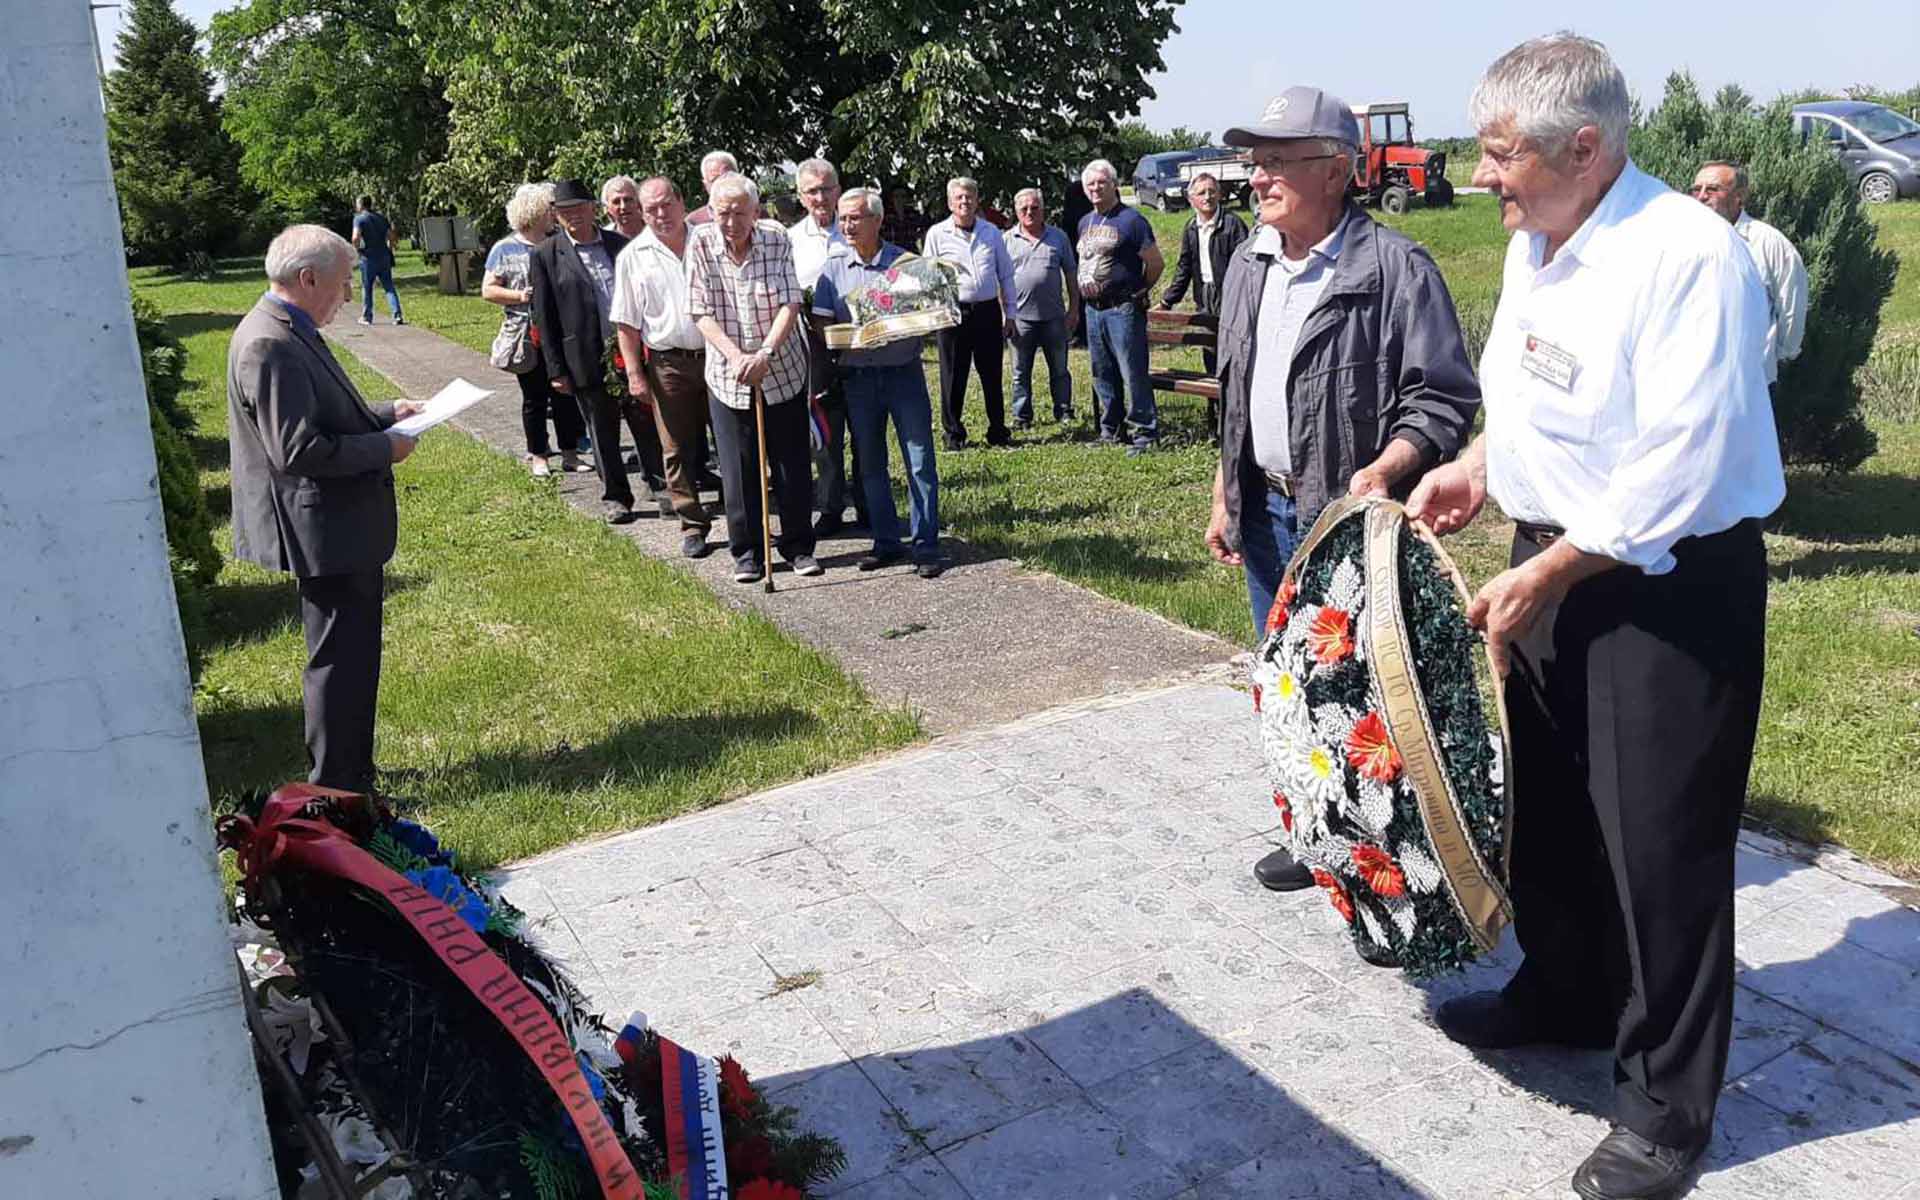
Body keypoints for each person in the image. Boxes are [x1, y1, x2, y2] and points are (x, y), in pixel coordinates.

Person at [1406, 36, 1783, 1200]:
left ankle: (1667, 1110)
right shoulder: (1539, 236)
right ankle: (1564, 993)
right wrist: (1479, 466)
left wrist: (1556, 568)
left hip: (1663, 586)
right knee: (1553, 813)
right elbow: (1537, 388)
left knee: (1661, 850)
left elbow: (1679, 460)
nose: (1482, 175)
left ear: (1585, 147)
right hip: (1552, 561)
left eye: (1501, 152)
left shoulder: (1689, 255)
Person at [1202, 87, 1480, 896]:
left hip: (1348, 523)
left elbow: (1442, 399)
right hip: (1265, 509)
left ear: (1334, 170)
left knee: (1366, 697)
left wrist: (1389, 466)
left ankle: (1388, 868)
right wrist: (1225, 491)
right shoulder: (1251, 264)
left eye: (1277, 161)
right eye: (1255, 161)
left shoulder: (1396, 269)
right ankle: (1313, 830)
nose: (1258, 177)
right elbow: (1237, 391)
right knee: (1286, 679)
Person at [227, 225, 423, 793]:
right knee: (339, 660)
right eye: (342, 283)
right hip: (322, 528)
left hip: (336, 523)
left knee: (353, 654)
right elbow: (297, 450)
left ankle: (351, 771)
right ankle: (339, 785)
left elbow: (320, 411)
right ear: (308, 278)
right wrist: (385, 448)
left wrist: (386, 412)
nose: (347, 294)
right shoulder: (269, 342)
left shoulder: (289, 328)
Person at [686, 173, 821, 582]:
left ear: (755, 212)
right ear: (712, 212)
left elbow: (790, 302)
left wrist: (764, 353)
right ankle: (747, 553)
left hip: (781, 369)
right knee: (738, 469)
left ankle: (798, 546)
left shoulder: (776, 238)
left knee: (791, 466)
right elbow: (699, 310)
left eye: (739, 214)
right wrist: (737, 357)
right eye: (722, 213)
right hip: (728, 375)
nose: (731, 222)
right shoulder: (701, 242)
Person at [812, 188, 945, 578]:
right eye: (842, 218)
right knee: (870, 464)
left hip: (904, 374)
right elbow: (820, 322)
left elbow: (929, 314)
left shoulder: (906, 265)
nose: (847, 225)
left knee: (919, 461)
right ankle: (886, 542)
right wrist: (844, 338)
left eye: (855, 218)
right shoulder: (832, 270)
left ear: (877, 220)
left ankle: (926, 546)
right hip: (858, 378)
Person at [530, 178, 666, 524]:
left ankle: (660, 487)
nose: (574, 215)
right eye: (566, 211)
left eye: (580, 207)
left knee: (646, 424)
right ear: (556, 215)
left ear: (594, 209)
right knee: (602, 431)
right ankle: (617, 497)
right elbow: (544, 317)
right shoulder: (545, 255)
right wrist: (556, 369)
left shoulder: (620, 245)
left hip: (630, 350)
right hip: (584, 356)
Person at [612, 177, 719, 559]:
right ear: (642, 213)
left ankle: (745, 517)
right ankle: (692, 523)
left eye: (666, 205)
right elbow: (626, 322)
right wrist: (634, 374)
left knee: (733, 440)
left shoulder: (711, 241)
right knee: (675, 448)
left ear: (681, 201)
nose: (661, 215)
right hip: (668, 363)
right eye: (651, 209)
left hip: (719, 355)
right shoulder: (633, 256)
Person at [482, 183, 589, 478]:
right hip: (526, 335)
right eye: (549, 210)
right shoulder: (505, 248)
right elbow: (488, 290)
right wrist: (520, 296)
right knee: (535, 398)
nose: (554, 214)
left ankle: (570, 454)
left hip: (561, 332)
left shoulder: (559, 242)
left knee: (565, 395)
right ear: (535, 213)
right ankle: (539, 455)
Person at [788, 158, 867, 536]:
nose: (820, 197)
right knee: (826, 432)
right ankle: (831, 506)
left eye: (827, 188)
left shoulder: (857, 228)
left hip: (861, 344)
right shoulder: (790, 240)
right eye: (812, 191)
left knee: (865, 427)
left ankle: (869, 503)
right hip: (814, 350)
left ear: (838, 189)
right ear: (801, 196)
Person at [1690, 160, 1807, 385]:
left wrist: (1777, 357)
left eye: (1712, 189)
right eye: (1696, 189)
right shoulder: (1681, 241)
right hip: (1693, 383)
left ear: (1739, 197)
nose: (1702, 196)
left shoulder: (1768, 244)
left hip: (1750, 383)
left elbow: (1791, 309)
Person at [1076, 159, 1164, 453]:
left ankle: (1145, 434)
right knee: (1102, 372)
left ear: (1114, 185)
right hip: (1093, 310)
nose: (1095, 188)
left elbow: (1155, 263)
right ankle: (1111, 430)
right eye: (1090, 184)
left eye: (1101, 182)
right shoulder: (1085, 222)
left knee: (1132, 372)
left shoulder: (1132, 221)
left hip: (1122, 309)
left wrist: (1140, 290)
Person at [923, 176, 1017, 449]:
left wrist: (1010, 313)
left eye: (969, 197)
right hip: (952, 312)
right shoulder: (937, 234)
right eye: (959, 197)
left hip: (987, 311)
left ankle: (998, 431)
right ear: (950, 203)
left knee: (992, 373)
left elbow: (1006, 275)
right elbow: (928, 276)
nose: (964, 201)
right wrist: (934, 312)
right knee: (953, 375)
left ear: (977, 201)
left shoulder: (991, 232)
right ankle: (953, 434)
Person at [1157, 171, 1250, 375]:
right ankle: (1214, 390)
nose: (1207, 197)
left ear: (1219, 195)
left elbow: (1247, 268)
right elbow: (1184, 268)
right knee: (1209, 348)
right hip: (1205, 296)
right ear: (1191, 199)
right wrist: (1167, 301)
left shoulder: (1233, 224)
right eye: (1201, 193)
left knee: (1233, 349)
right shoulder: (1191, 228)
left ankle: (1233, 392)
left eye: (1211, 191)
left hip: (1231, 295)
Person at [1005, 187, 1079, 426]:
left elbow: (1071, 274)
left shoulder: (1059, 237)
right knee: (1020, 372)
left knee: (1060, 370)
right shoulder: (1006, 240)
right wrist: (1005, 315)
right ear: (1016, 211)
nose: (1029, 212)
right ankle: (1021, 416)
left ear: (1043, 209)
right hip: (1020, 318)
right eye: (1024, 208)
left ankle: (1064, 410)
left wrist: (1074, 309)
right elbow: (999, 280)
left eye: (1034, 208)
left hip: (1054, 318)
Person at [350, 194, 404, 326]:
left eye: (357, 203)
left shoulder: (359, 219)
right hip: (384, 256)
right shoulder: (381, 218)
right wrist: (391, 248)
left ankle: (367, 317)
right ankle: (397, 315)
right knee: (389, 286)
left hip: (368, 258)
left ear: (361, 205)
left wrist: (355, 250)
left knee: (367, 287)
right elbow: (391, 236)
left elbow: (355, 237)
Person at [686, 151, 740, 225]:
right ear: (706, 185)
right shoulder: (693, 223)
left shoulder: (753, 215)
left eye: (728, 177)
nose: (723, 184)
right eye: (715, 180)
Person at [881, 185, 930, 254]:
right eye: (896, 196)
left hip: (910, 252)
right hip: (891, 253)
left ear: (907, 199)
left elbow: (924, 231)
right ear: (892, 198)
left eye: (903, 196)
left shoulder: (913, 215)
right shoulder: (885, 216)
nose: (899, 199)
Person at [601, 175, 646, 239]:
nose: (623, 206)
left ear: (638, 202)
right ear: (607, 208)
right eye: (616, 202)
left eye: (628, 200)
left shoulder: (656, 230)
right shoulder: (603, 238)